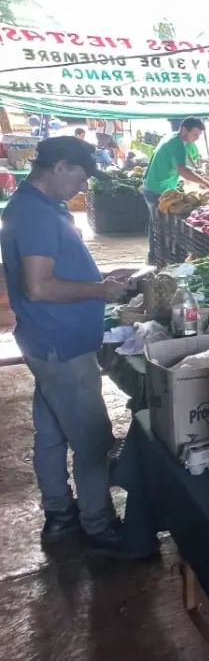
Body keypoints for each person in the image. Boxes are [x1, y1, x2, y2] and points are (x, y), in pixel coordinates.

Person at [0, 138, 145, 557]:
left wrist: (101, 277)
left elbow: (53, 271)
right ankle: (99, 526)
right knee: (92, 439)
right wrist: (101, 289)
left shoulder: (38, 206)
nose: (81, 187)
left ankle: (60, 514)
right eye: (79, 177)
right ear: (59, 166)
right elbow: (39, 286)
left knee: (51, 432)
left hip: (46, 341)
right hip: (60, 345)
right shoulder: (34, 215)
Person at [141, 117, 209, 263]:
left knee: (156, 225)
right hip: (157, 190)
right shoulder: (176, 144)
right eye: (195, 135)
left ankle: (156, 257)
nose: (196, 138)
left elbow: (182, 164)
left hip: (156, 186)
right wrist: (207, 184)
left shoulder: (172, 138)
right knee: (160, 228)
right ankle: (158, 259)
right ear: (184, 129)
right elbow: (183, 170)